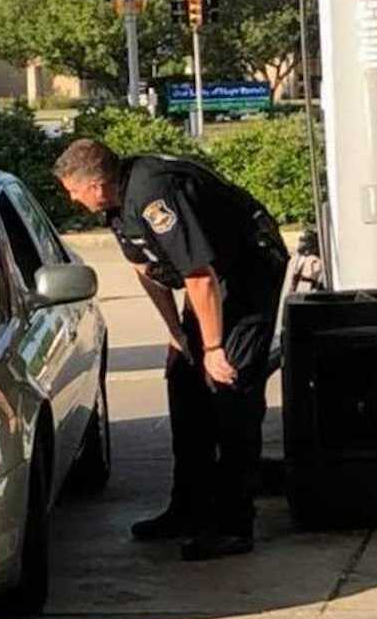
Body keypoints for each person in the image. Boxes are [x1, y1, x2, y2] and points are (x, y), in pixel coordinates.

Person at [54, 139, 289, 561]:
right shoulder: (118, 206)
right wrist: (178, 335)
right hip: (210, 280)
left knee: (229, 387)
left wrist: (215, 347)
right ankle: (188, 508)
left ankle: (234, 523)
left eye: (73, 189)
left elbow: (199, 276)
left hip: (247, 269)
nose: (71, 198)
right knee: (184, 379)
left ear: (96, 184)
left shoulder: (153, 193)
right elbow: (148, 269)